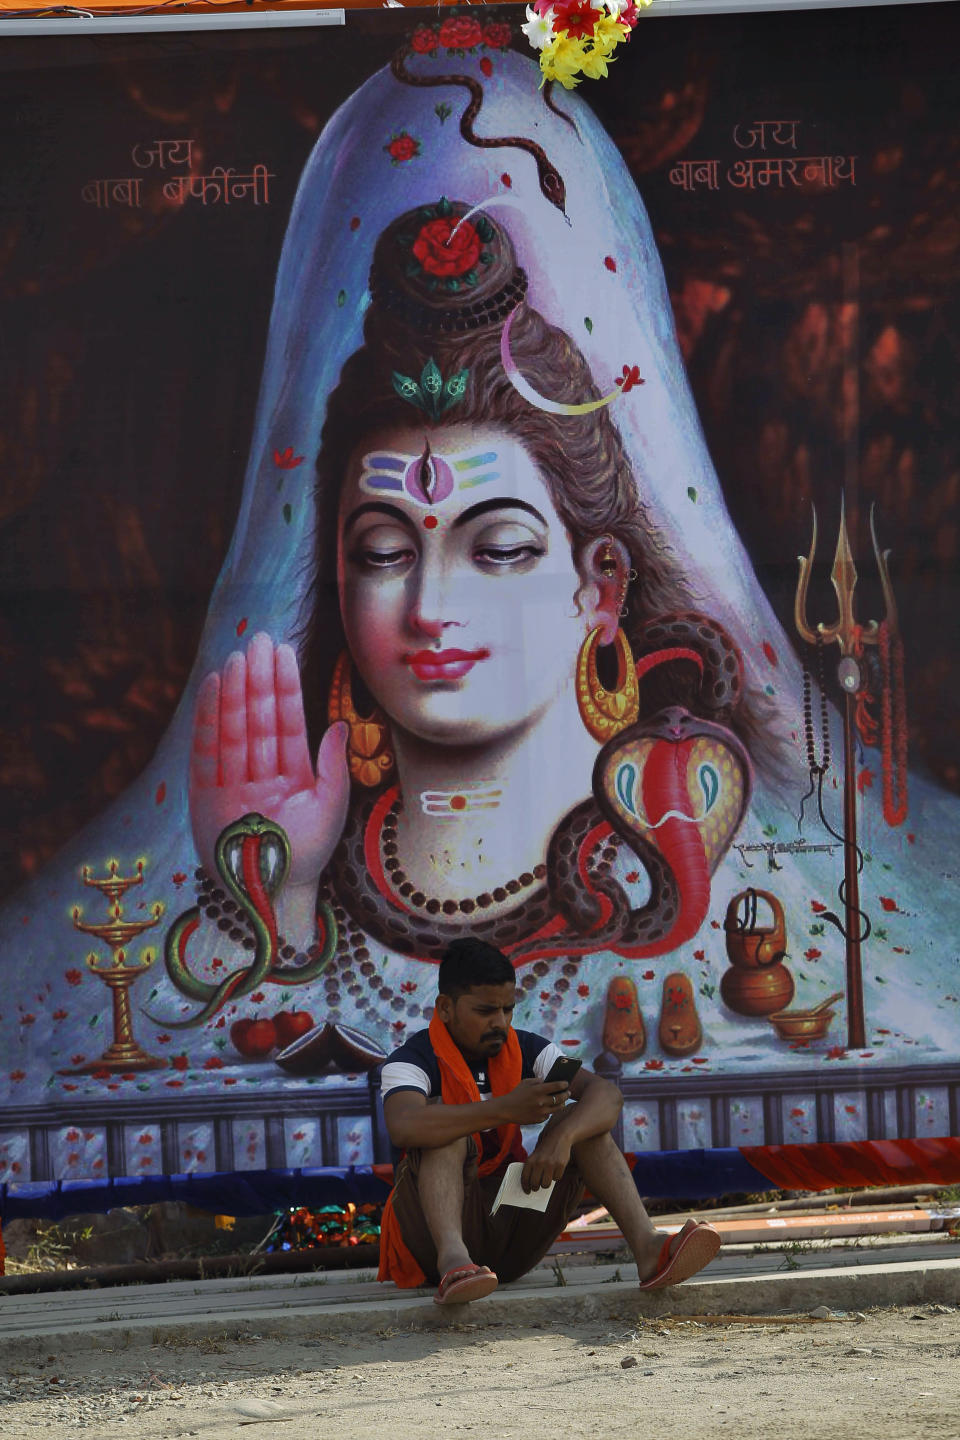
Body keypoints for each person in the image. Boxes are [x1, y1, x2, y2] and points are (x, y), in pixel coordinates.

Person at [377, 936, 720, 1304]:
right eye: (485, 1012)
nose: (500, 1023)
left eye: (507, 1009)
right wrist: (506, 1108)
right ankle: (455, 1261)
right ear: (445, 1008)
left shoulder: (529, 1049)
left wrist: (562, 1138)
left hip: (510, 1236)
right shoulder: (411, 1059)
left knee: (587, 1125)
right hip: (435, 1247)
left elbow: (605, 1095)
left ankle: (649, 1248)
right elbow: (404, 1124)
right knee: (441, 1130)